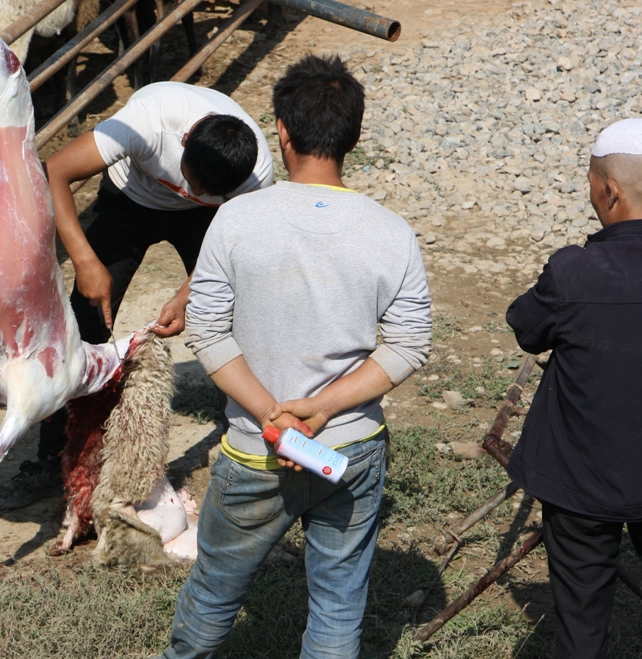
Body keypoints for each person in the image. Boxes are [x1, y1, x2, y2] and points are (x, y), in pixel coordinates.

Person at [157, 54, 432, 658]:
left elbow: (206, 329)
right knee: (337, 606)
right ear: (354, 136)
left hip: (258, 448)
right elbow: (411, 341)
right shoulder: (391, 231)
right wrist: (324, 408)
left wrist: (273, 418)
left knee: (213, 595)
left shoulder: (235, 220)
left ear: (279, 131)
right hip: (351, 450)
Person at [0, 81, 275, 510]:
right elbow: (56, 172)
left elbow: (230, 243)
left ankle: (243, 442)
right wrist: (85, 261)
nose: (192, 193)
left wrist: (184, 297)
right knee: (81, 326)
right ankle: (51, 462)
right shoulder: (148, 125)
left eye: (207, 192)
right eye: (191, 183)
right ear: (181, 146)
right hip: (127, 201)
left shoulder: (255, 176)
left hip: (202, 223)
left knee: (229, 314)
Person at [504, 118, 642, 659]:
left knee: (581, 630)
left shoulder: (574, 271)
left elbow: (526, 327)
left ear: (608, 189)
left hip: (581, 481)